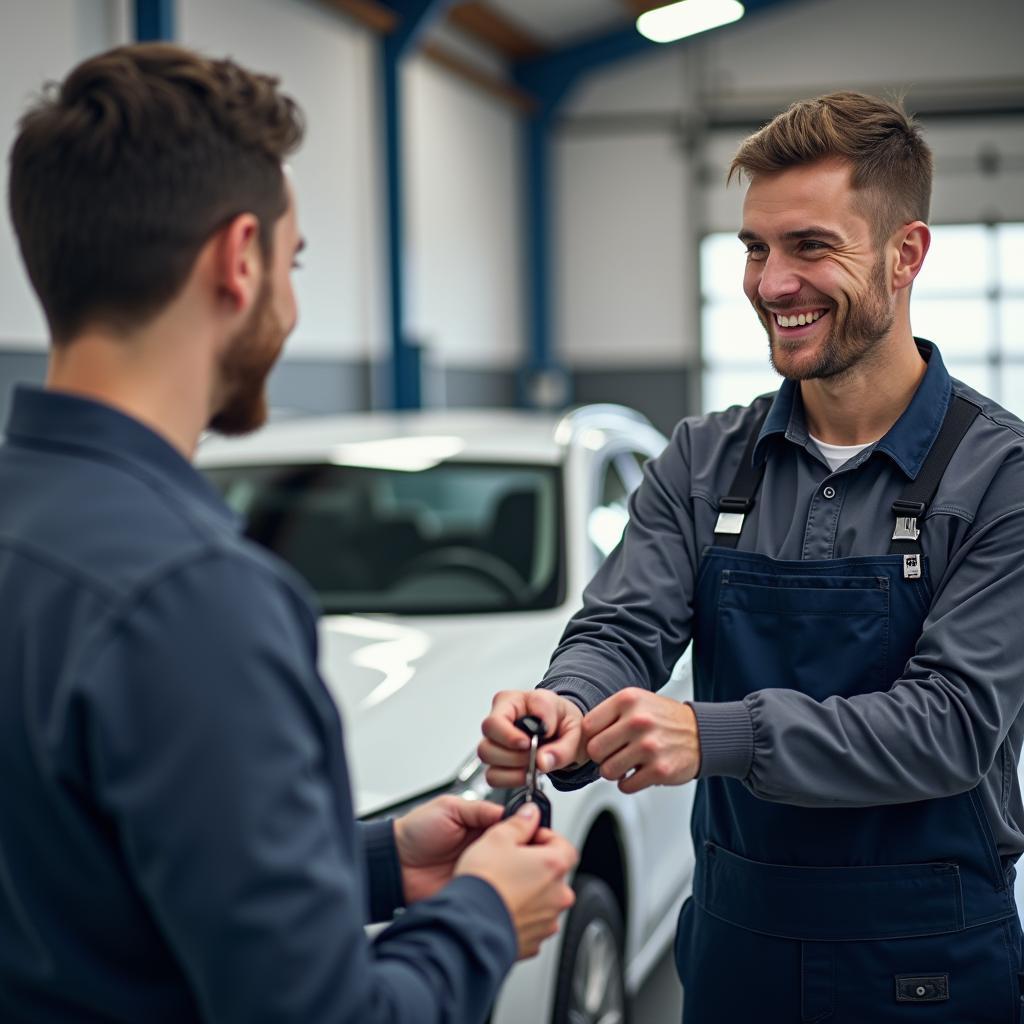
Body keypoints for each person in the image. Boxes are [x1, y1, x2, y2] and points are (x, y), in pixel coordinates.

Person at [0, 42, 577, 1024]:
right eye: (293, 260)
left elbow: (100, 880)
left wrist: (383, 860)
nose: (292, 299)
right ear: (239, 260)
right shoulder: (195, 596)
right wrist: (484, 913)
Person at [480, 91, 1024, 1023]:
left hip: (928, 955)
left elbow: (949, 725)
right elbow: (623, 624)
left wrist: (717, 735)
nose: (773, 283)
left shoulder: (998, 475)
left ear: (907, 256)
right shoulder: (703, 459)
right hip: (738, 946)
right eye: (755, 249)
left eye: (811, 246)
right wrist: (566, 703)